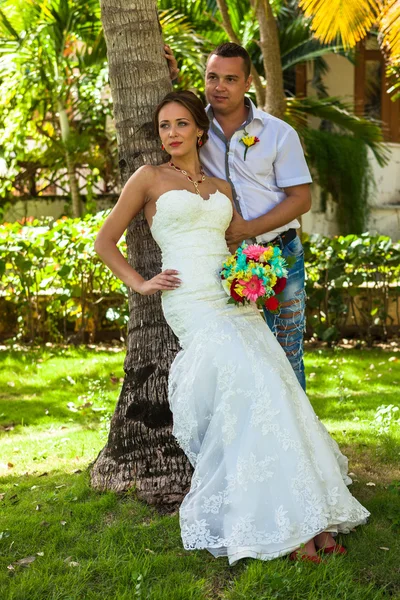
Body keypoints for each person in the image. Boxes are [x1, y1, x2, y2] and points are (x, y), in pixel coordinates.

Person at [95, 90, 369, 566]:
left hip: (233, 297)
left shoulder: (221, 187)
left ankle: (314, 517)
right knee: (253, 388)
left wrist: (253, 273)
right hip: (191, 300)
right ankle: (290, 524)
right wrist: (140, 283)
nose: (172, 134)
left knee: (274, 389)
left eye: (181, 124)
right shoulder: (149, 178)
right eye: (164, 126)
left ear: (200, 129)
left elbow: (237, 240)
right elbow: (104, 241)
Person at [164, 42, 311, 391]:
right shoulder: (195, 128)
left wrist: (249, 228)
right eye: (212, 77)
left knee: (287, 349)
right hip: (225, 262)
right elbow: (169, 119)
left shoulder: (277, 133)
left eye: (230, 78)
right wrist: (170, 80)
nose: (219, 86)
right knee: (240, 354)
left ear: (247, 82)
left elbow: (301, 198)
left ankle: (299, 442)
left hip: (281, 253)